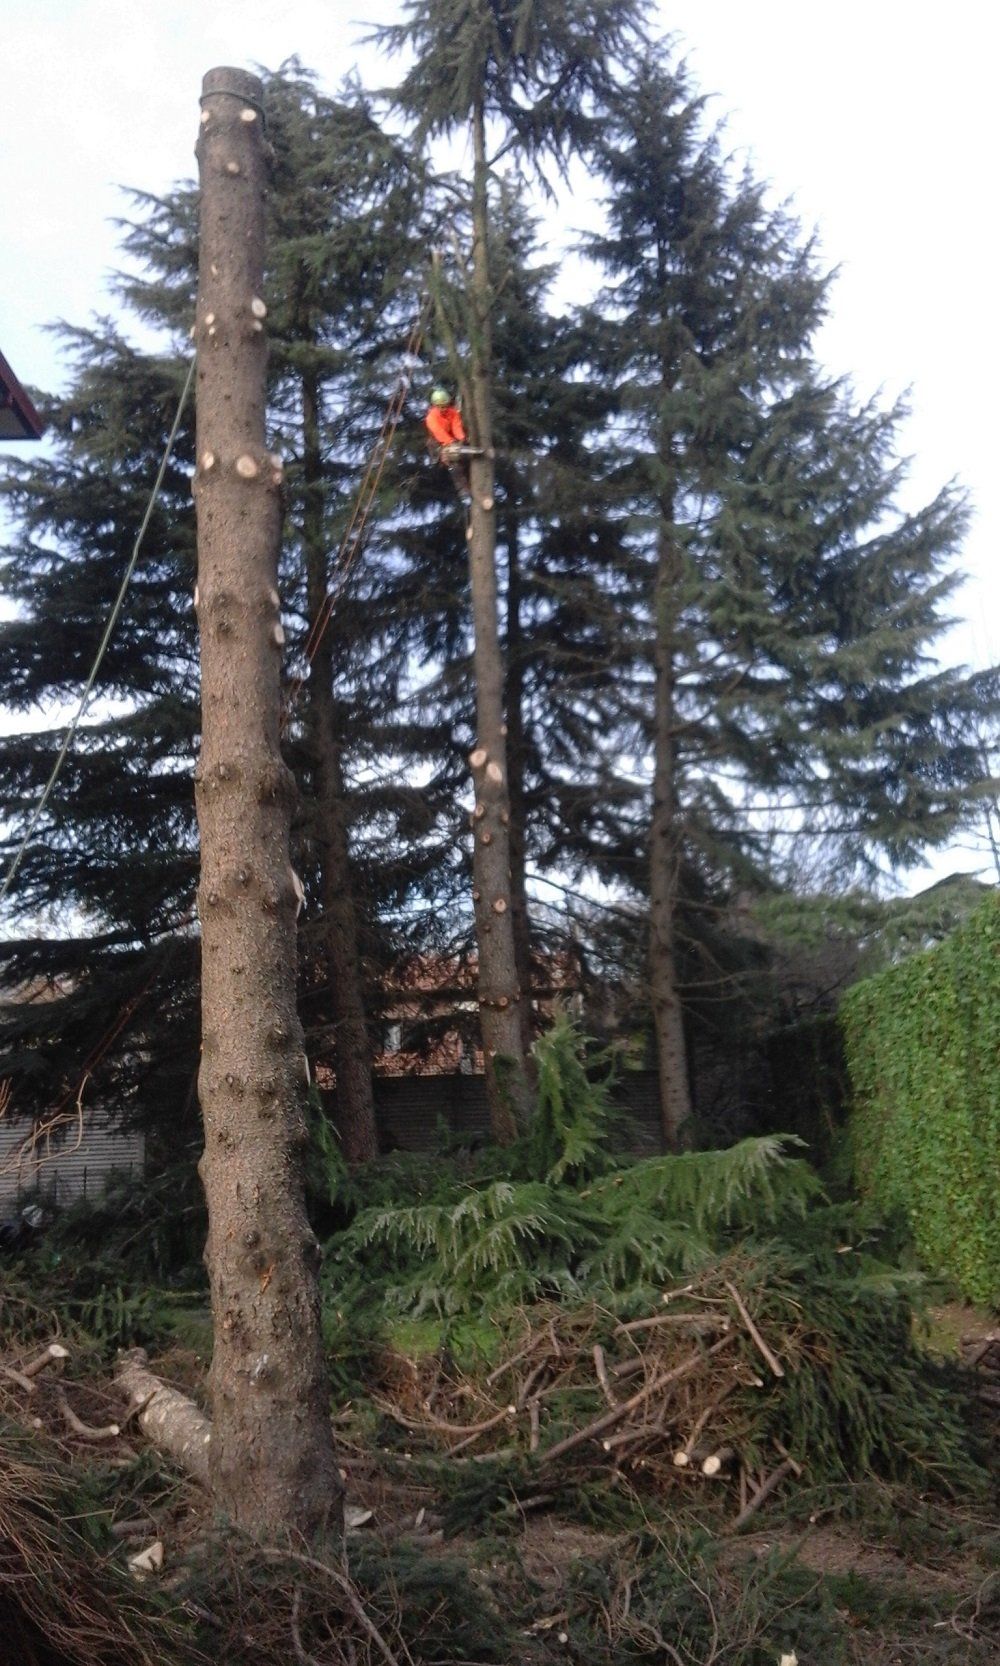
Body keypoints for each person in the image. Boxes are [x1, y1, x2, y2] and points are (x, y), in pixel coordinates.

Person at [424, 387, 476, 503]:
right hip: (437, 443)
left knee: (463, 457)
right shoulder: (431, 417)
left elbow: (456, 426)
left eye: (445, 406)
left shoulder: (452, 412)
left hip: (451, 439)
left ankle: (472, 482)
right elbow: (438, 432)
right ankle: (463, 491)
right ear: (435, 406)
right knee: (453, 464)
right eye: (441, 407)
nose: (444, 409)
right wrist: (450, 443)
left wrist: (461, 439)